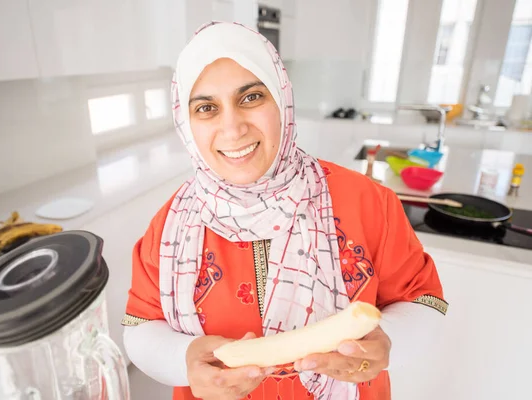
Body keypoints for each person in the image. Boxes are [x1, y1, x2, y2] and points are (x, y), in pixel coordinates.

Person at [122, 21, 447, 400]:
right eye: (207, 108)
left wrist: (386, 343)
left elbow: (423, 301)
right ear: (186, 122)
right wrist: (184, 359)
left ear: (281, 100)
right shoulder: (171, 228)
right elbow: (141, 327)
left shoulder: (367, 201)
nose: (232, 128)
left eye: (251, 98)